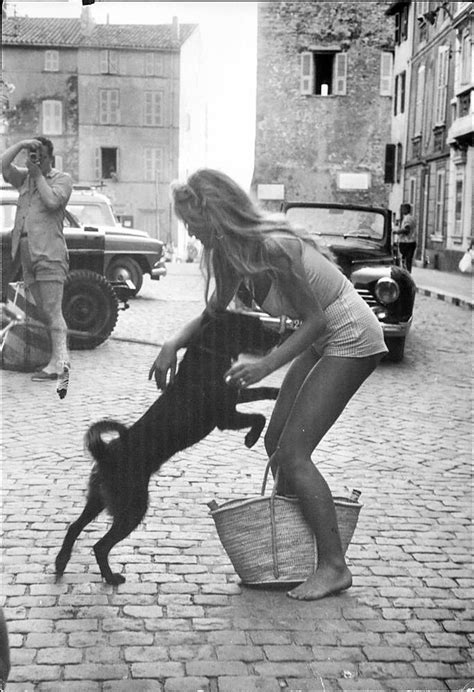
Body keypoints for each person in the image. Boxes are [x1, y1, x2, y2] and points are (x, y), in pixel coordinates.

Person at [149, 169, 388, 601]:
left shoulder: (272, 247)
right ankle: (293, 548)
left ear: (215, 214)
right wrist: (173, 342)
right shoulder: (228, 253)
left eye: (192, 223)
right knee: (274, 442)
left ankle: (334, 566)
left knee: (294, 455)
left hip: (350, 332)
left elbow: (316, 320)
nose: (190, 232)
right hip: (321, 337)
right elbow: (213, 315)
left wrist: (264, 366)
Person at [1, 137, 73, 389]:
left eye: (39, 154)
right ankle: (57, 357)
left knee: (53, 310)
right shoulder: (25, 179)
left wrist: (38, 175)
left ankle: (59, 363)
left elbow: (53, 202)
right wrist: (20, 144)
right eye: (31, 154)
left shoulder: (61, 179)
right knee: (43, 310)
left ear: (49, 158)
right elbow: (2, 165)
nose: (35, 159)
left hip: (49, 254)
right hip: (27, 253)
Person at [396, 203, 417, 273]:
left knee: (404, 259)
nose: (401, 211)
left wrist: (397, 231)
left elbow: (406, 230)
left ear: (406, 209)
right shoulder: (411, 218)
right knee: (408, 260)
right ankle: (408, 272)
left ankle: (405, 273)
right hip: (411, 241)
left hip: (406, 242)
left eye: (402, 209)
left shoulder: (407, 218)